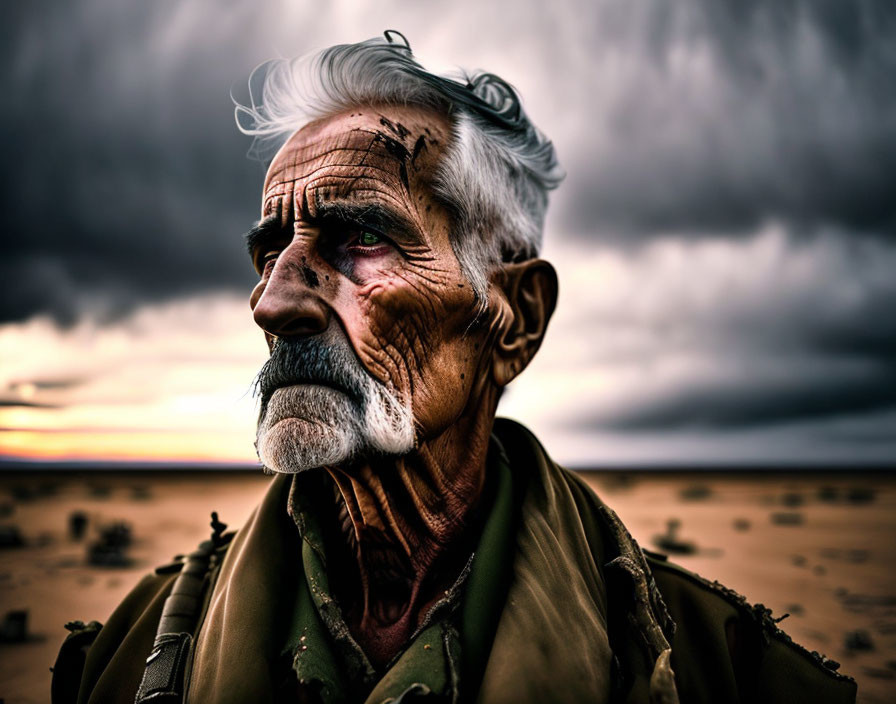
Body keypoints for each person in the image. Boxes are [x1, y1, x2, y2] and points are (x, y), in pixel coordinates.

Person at [52, 32, 856, 704]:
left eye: (359, 239)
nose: (273, 302)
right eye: (271, 252)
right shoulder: (129, 656)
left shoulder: (718, 670)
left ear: (514, 320)